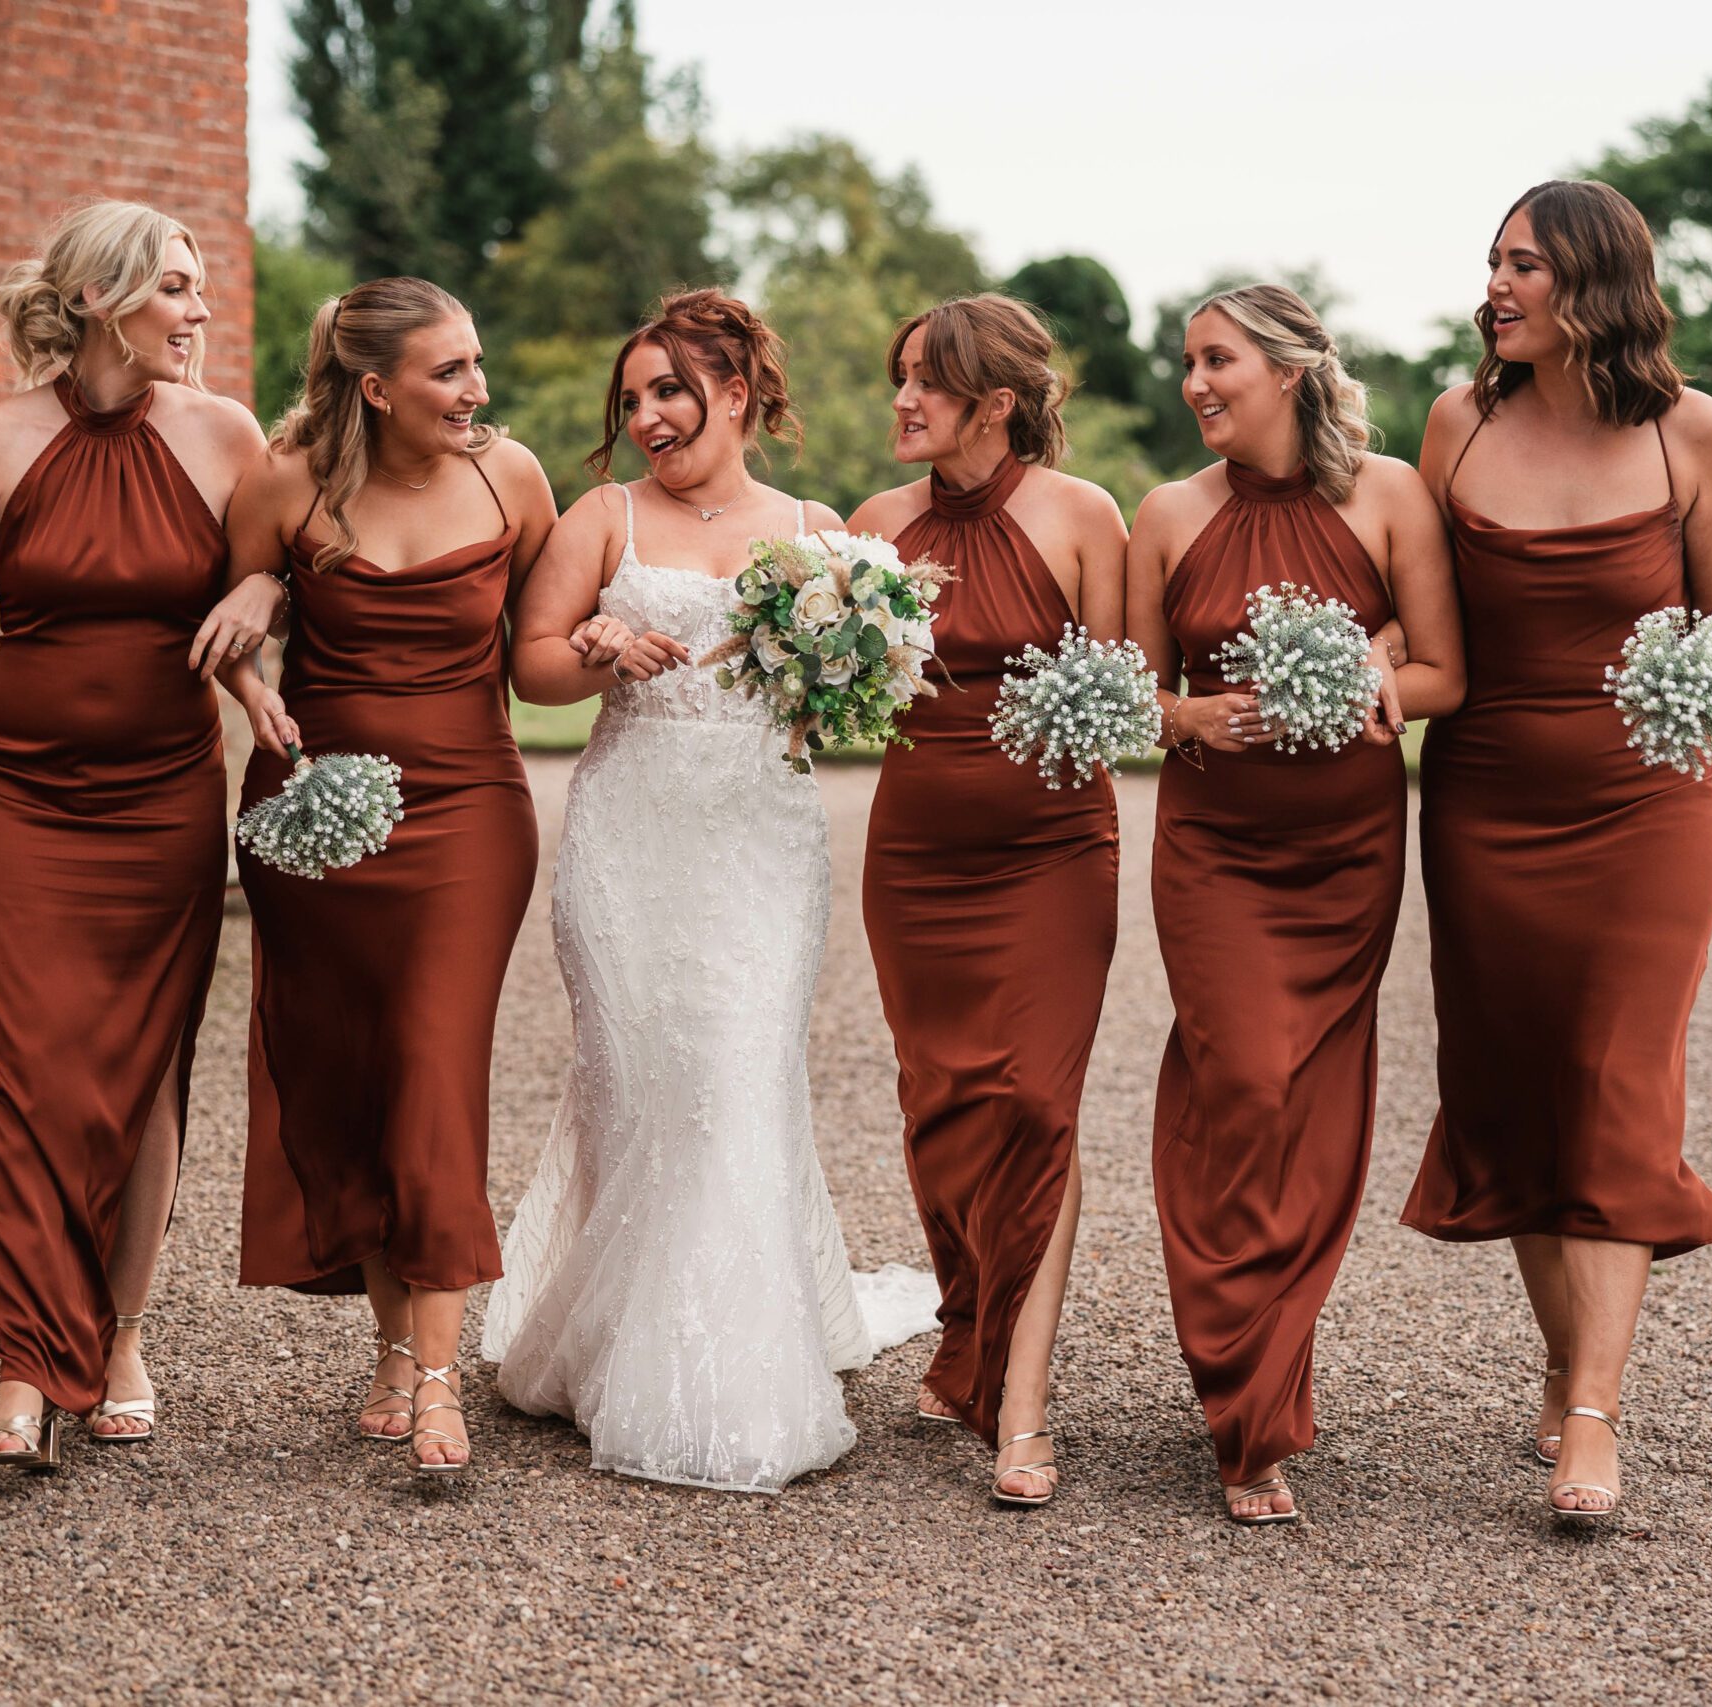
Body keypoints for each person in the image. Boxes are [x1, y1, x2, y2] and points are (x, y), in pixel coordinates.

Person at [482, 289, 938, 1494]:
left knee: (734, 1082)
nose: (647, 418)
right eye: (632, 400)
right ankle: (620, 1345)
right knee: (638, 1089)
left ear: (735, 395)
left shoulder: (816, 531)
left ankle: (731, 1370)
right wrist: (591, 645)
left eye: (670, 392)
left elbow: (844, 702)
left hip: (758, 843)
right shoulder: (603, 517)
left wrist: (849, 664)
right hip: (629, 842)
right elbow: (527, 661)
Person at [0, 201, 264, 1469]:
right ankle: (29, 1368)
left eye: (199, 291)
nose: (200, 314)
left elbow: (269, 597)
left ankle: (123, 1338)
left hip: (163, 795)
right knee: (20, 1073)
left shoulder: (226, 437)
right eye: (178, 291)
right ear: (101, 300)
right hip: (13, 799)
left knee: (143, 1070)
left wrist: (262, 584)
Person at [1402, 180, 1712, 1525]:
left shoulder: (1692, 433)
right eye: (1492, 263)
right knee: (1518, 1088)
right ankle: (1563, 1355)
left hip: (1649, 804)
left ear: (1593, 283)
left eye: (1525, 265)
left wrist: (1686, 669)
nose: (1496, 286)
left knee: (1615, 1082)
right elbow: (1414, 610)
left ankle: (1593, 1417)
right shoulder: (1457, 420)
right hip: (1486, 800)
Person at [201, 278, 556, 1475]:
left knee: (432, 1063)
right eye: (449, 372)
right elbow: (231, 648)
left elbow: (549, 644)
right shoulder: (285, 480)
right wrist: (259, 678)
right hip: (318, 813)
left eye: (475, 364)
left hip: (468, 811)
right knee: (350, 1067)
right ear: (374, 387)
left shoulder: (511, 479)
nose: (477, 390)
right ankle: (396, 1346)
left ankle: (446, 1377)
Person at [1125, 283, 1464, 1523]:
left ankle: (1260, 1390)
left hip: (1343, 852)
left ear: (1289, 369)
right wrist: (1189, 713)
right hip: (1213, 849)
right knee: (1243, 1082)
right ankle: (1242, 1384)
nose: (1195, 384)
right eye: (1186, 364)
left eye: (1216, 360)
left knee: (1308, 1098)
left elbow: (1444, 671)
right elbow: (1125, 687)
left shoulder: (1387, 497)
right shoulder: (1165, 515)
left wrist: (1372, 685)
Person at [847, 295, 1127, 1508]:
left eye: (926, 382)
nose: (902, 400)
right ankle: (965, 1327)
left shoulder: (1080, 518)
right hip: (914, 858)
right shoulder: (872, 527)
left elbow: (1121, 692)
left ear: (995, 403)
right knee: (943, 1105)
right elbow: (845, 699)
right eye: (899, 377)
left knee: (1032, 1103)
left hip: (1053, 851)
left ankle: (1021, 1398)